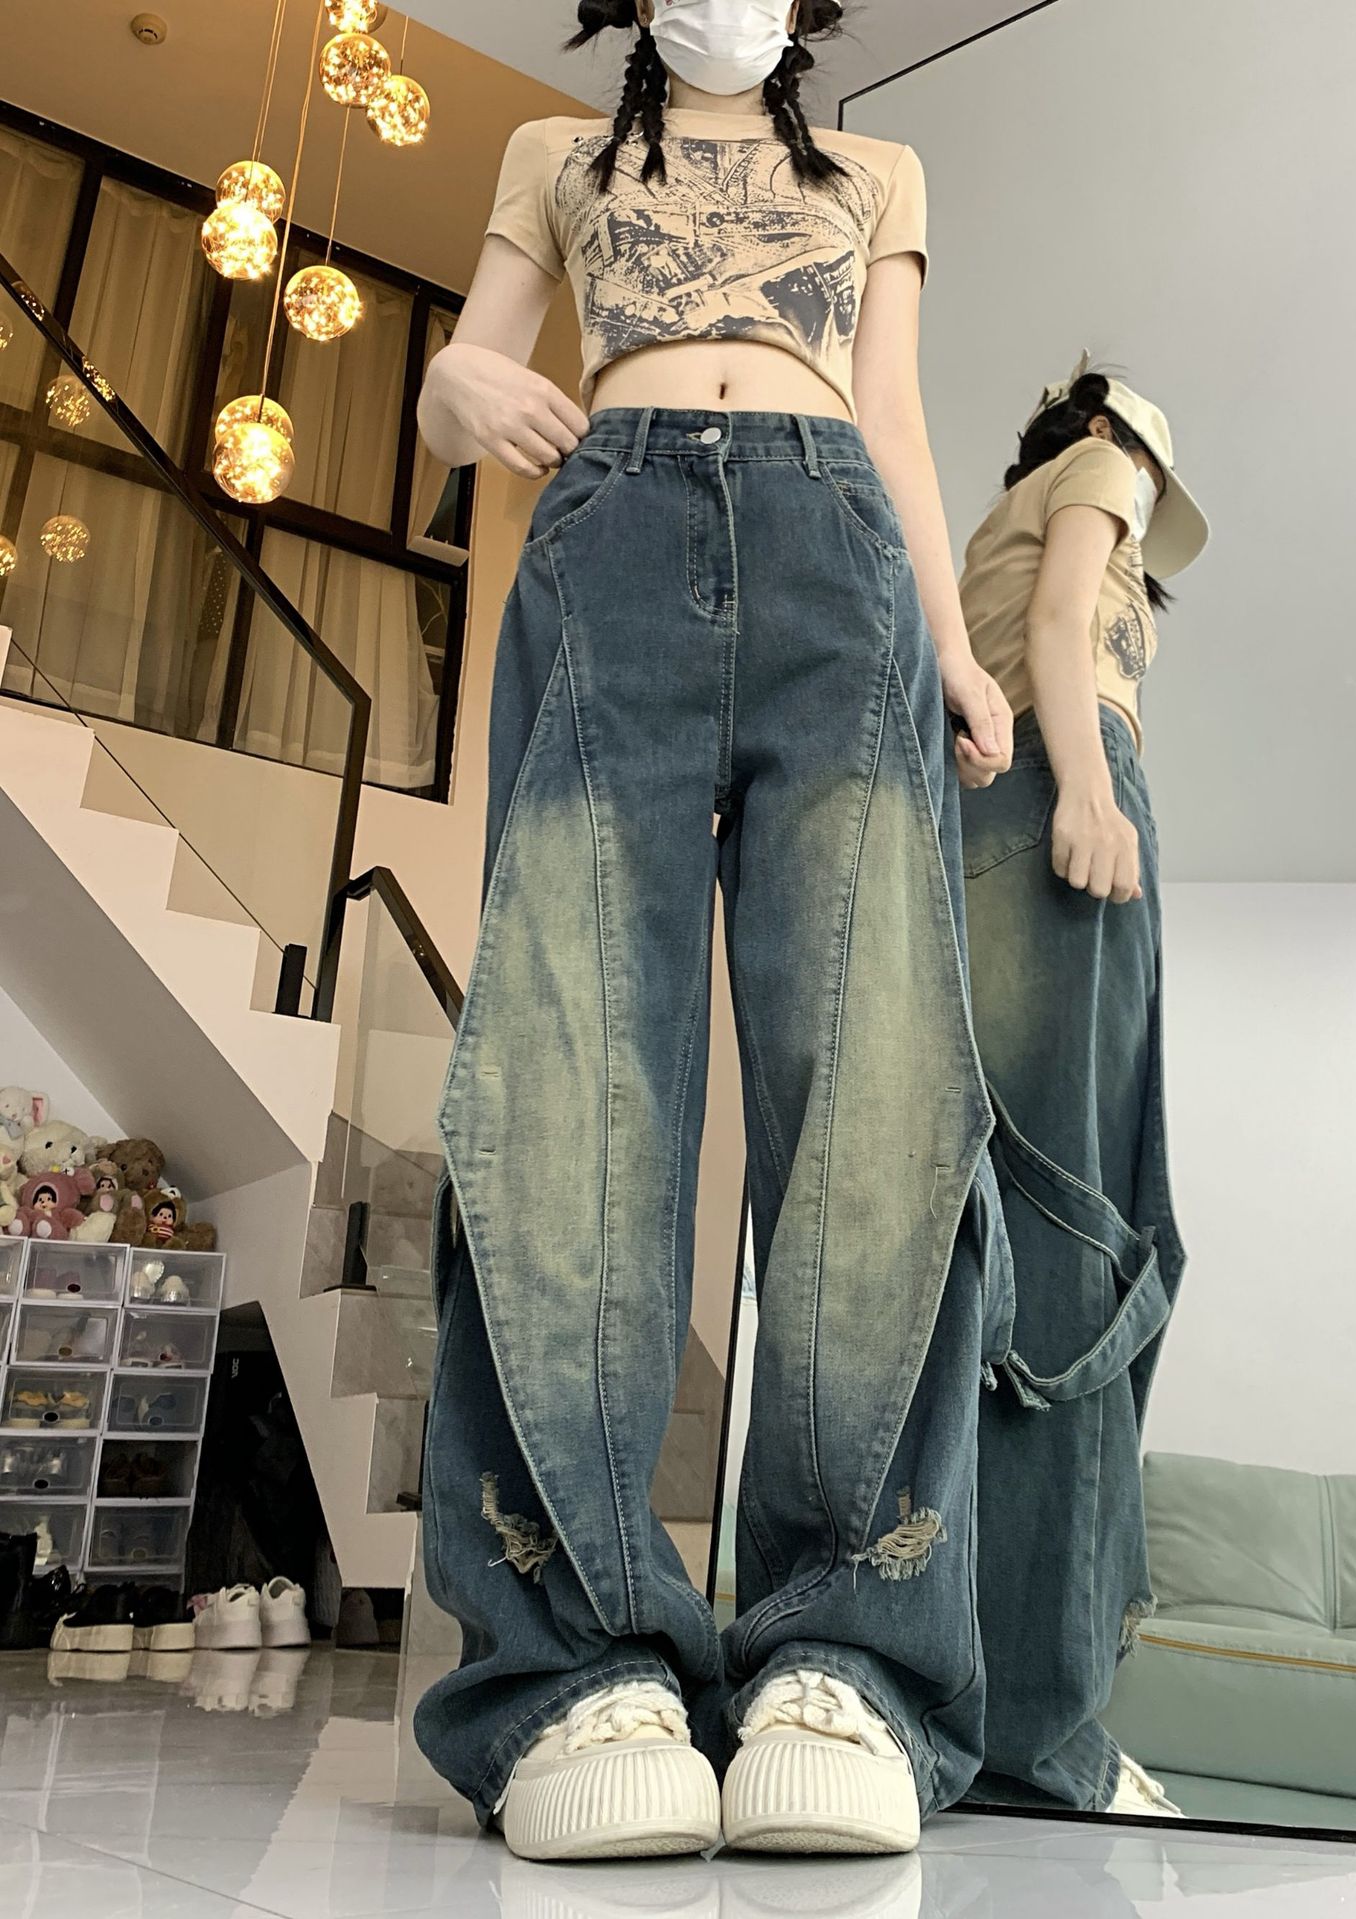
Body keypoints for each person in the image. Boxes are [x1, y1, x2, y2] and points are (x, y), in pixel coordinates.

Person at [411, 0, 1016, 1865]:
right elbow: (466, 363)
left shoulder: (881, 170)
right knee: (569, 1076)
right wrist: (455, 388)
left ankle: (846, 1654)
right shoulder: (557, 155)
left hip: (844, 559)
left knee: (878, 1084)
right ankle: (574, 1663)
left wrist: (955, 645)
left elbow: (896, 419)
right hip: (610, 532)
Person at [956, 356, 1209, 1816]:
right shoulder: (1102, 464)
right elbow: (1062, 625)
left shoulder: (1001, 519)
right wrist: (1094, 790)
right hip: (1064, 783)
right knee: (1086, 1244)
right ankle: (1043, 1723)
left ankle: (973, 1680)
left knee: (1018, 1230)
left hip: (992, 799)